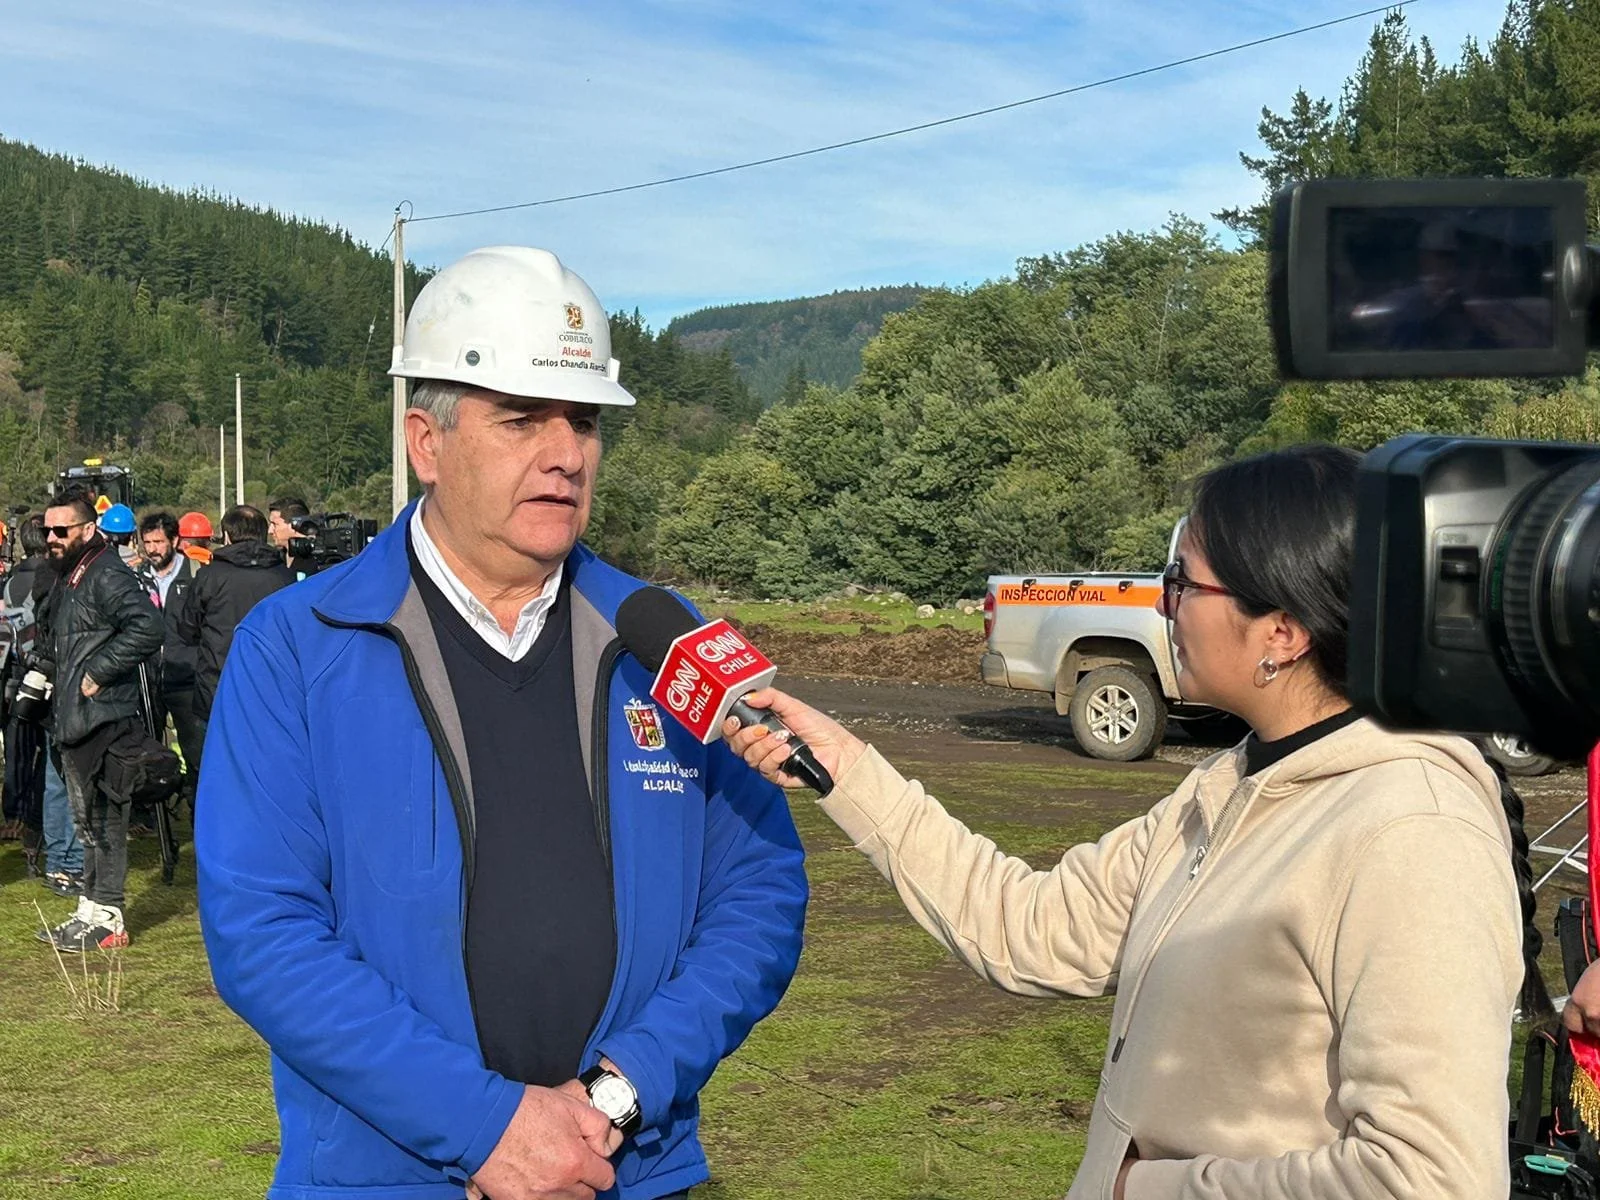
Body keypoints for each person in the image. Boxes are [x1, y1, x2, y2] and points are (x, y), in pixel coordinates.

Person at [726, 445, 1535, 1200]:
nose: (1161, 602)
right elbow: (1029, 928)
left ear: (1283, 633)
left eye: (1183, 583)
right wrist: (847, 768)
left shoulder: (1412, 833)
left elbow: (1435, 1177)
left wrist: (1146, 1188)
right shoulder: (1232, 783)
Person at [197, 246, 808, 1200]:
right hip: (387, 1179)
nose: (566, 454)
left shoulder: (664, 639)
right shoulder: (298, 645)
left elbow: (759, 895)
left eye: (585, 422)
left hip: (625, 1168)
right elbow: (262, 932)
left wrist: (620, 1093)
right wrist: (484, 1127)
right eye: (522, 418)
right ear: (426, 443)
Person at [35, 488, 163, 952]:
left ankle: (109, 915)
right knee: (86, 820)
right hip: (74, 715)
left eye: (61, 530)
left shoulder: (105, 572)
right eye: (47, 530)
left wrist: (98, 672)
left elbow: (149, 627)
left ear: (89, 529)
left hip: (103, 717)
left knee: (105, 819)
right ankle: (90, 909)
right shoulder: (73, 575)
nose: (52, 538)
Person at [177, 505, 293, 725]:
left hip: (218, 687)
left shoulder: (209, 576)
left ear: (227, 536)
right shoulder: (285, 576)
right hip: (271, 688)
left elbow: (187, 629)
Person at [138, 511, 204, 800]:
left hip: (186, 679)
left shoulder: (197, 574)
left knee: (196, 753)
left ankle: (197, 808)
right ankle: (151, 813)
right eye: (147, 542)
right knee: (144, 754)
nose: (152, 549)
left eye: (159, 542)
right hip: (147, 679)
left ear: (175, 540)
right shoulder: (136, 579)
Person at [2, 514, 48, 873]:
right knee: (46, 751)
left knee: (17, 749)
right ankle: (36, 817)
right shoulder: (50, 579)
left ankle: (14, 814)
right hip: (43, 672)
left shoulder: (9, 582)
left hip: (13, 673)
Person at [267, 495, 316, 578]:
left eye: (275, 524)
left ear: (295, 525)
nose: (270, 531)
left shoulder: (314, 559)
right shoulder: (276, 560)